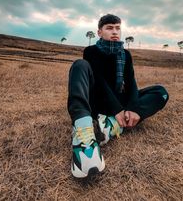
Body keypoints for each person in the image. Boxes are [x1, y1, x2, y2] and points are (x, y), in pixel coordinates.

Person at [67, 14, 169, 178]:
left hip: (119, 103)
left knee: (160, 92)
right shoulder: (91, 51)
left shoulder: (125, 55)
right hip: (97, 101)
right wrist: (118, 109)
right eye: (109, 28)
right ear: (99, 32)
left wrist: (134, 109)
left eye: (117, 28)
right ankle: (85, 138)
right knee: (79, 65)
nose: (114, 32)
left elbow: (131, 83)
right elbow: (100, 83)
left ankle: (110, 126)